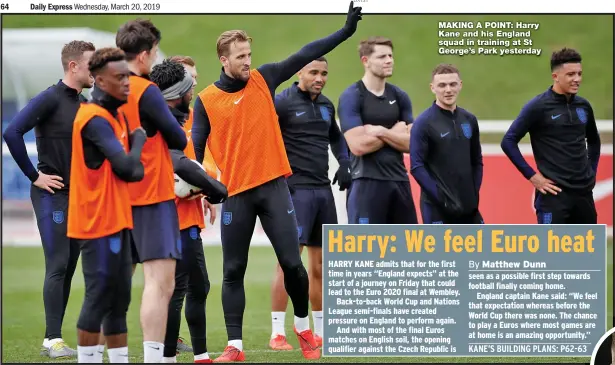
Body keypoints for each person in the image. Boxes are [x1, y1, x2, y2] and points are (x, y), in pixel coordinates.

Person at [192, 2, 363, 361]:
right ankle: (234, 347)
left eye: (249, 54)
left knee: (292, 264)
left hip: (273, 187)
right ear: (223, 59)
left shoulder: (263, 78)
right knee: (233, 270)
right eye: (240, 56)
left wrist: (346, 31)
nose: (247, 61)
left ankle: (302, 327)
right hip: (235, 194)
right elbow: (194, 151)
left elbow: (307, 52)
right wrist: (203, 189)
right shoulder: (206, 101)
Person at [2, 40, 96, 359]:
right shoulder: (50, 97)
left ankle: (52, 338)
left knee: (68, 267)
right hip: (51, 195)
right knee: (57, 264)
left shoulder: (84, 104)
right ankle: (52, 340)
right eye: (90, 64)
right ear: (73, 66)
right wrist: (34, 176)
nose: (95, 70)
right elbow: (12, 132)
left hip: (78, 196)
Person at [67, 47, 147, 364]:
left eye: (128, 75)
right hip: (96, 222)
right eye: (119, 77)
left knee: (119, 300)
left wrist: (132, 159)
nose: (127, 82)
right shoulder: (93, 119)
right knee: (99, 296)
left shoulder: (115, 116)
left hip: (117, 219)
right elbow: (129, 169)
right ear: (100, 81)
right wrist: (139, 140)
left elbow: (131, 170)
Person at [115, 19, 188, 363]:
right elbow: (177, 137)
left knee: (115, 284)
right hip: (152, 197)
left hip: (115, 197)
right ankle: (154, 358)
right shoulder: (147, 91)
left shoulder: (103, 91)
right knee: (160, 284)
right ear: (144, 55)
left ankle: (106, 355)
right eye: (155, 51)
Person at [268, 57, 350, 351]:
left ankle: (321, 331)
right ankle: (277, 333)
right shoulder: (282, 102)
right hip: (293, 191)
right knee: (288, 262)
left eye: (324, 73)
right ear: (300, 72)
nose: (319, 78)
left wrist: (345, 163)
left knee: (320, 266)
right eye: (313, 72)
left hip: (322, 191)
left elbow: (337, 139)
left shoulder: (327, 105)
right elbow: (264, 138)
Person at [150, 58, 228, 364]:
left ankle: (200, 355)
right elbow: (180, 166)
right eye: (190, 81)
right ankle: (167, 357)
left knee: (195, 285)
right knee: (175, 290)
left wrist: (204, 188)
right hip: (172, 218)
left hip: (186, 214)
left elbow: (195, 163)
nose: (195, 85)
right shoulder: (163, 121)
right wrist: (213, 187)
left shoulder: (188, 116)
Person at [501, 48, 601, 224]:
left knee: (588, 251)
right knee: (551, 251)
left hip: (584, 194)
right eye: (570, 74)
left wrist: (592, 172)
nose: (577, 79)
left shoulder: (583, 106)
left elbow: (594, 141)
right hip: (553, 196)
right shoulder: (538, 106)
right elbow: (508, 141)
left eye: (579, 73)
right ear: (555, 76)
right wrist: (534, 177)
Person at [338, 36, 418, 225]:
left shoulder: (400, 96)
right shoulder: (352, 96)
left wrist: (382, 131)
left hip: (399, 181)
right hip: (366, 182)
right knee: (364, 252)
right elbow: (358, 146)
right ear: (365, 61)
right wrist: (397, 131)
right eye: (382, 56)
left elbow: (413, 144)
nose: (389, 60)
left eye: (390, 55)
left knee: (409, 250)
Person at [409, 64, 484, 224]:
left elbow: (477, 161)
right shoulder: (423, 123)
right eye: (442, 85)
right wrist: (442, 198)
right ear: (432, 88)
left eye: (453, 84)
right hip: (437, 209)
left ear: (460, 85)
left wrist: (473, 191)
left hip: (468, 206)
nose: (448, 90)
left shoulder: (469, 120)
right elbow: (416, 167)